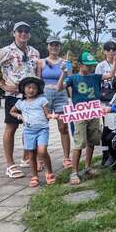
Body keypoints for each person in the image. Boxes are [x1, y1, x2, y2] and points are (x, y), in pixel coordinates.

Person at [0, 21, 40, 179]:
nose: (23, 33)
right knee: (11, 128)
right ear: (14, 33)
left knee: (30, 126)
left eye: (26, 31)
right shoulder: (5, 51)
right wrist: (2, 85)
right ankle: (10, 164)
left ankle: (27, 157)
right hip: (14, 96)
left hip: (31, 97)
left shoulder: (35, 52)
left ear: (29, 34)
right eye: (20, 31)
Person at [57, 51, 116, 185]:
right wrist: (63, 73)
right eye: (87, 65)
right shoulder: (73, 78)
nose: (90, 68)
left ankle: (87, 167)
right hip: (80, 114)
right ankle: (74, 172)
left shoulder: (96, 77)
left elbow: (111, 75)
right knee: (79, 142)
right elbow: (59, 88)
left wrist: (114, 62)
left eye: (92, 65)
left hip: (93, 112)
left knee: (92, 140)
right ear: (80, 65)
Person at [9, 77, 56, 187]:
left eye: (34, 88)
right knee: (31, 154)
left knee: (42, 151)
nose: (31, 90)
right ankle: (34, 176)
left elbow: (47, 114)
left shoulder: (42, 100)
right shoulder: (20, 103)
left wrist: (52, 116)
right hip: (28, 132)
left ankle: (49, 172)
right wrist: (19, 115)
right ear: (23, 89)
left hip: (42, 130)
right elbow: (12, 111)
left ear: (38, 89)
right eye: (28, 87)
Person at [37, 34, 72, 168]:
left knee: (63, 127)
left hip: (61, 95)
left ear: (60, 46)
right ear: (48, 46)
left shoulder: (66, 62)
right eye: (51, 44)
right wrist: (38, 99)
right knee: (40, 127)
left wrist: (72, 98)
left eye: (56, 44)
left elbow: (70, 81)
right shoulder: (41, 62)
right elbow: (38, 82)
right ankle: (40, 159)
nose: (54, 47)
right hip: (45, 95)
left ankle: (66, 158)